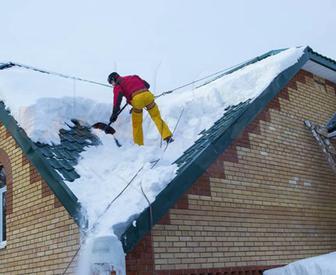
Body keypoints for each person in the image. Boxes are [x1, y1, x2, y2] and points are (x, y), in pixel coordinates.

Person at [107, 72, 173, 145]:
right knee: (156, 117)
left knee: (137, 124)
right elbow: (147, 85)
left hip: (137, 101)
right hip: (148, 96)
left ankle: (138, 144)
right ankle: (168, 137)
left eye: (111, 83)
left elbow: (117, 100)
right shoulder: (133, 77)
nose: (112, 85)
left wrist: (114, 114)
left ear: (113, 80)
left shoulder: (117, 86)